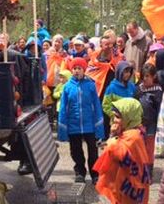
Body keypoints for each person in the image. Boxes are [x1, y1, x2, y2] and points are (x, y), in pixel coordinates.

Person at [93, 98, 151, 204]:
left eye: (118, 117)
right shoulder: (132, 131)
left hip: (132, 190)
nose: (114, 120)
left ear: (129, 117)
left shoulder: (134, 136)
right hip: (124, 185)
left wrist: (112, 139)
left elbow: (115, 150)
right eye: (114, 116)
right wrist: (114, 135)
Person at [58, 55, 104, 183]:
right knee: (76, 151)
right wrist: (63, 129)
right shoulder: (67, 87)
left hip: (89, 125)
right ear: (71, 70)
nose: (77, 71)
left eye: (79, 68)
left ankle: (95, 174)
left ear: (84, 70)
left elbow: (96, 106)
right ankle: (80, 172)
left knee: (93, 152)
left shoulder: (90, 85)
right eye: (74, 68)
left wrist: (99, 127)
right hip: (74, 126)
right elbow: (63, 109)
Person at [134, 63, 162, 173]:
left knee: (149, 149)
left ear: (153, 76)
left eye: (147, 76)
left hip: (151, 124)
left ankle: (148, 172)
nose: (145, 79)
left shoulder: (157, 91)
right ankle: (140, 170)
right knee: (139, 147)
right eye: (143, 76)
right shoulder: (138, 89)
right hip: (139, 123)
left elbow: (159, 109)